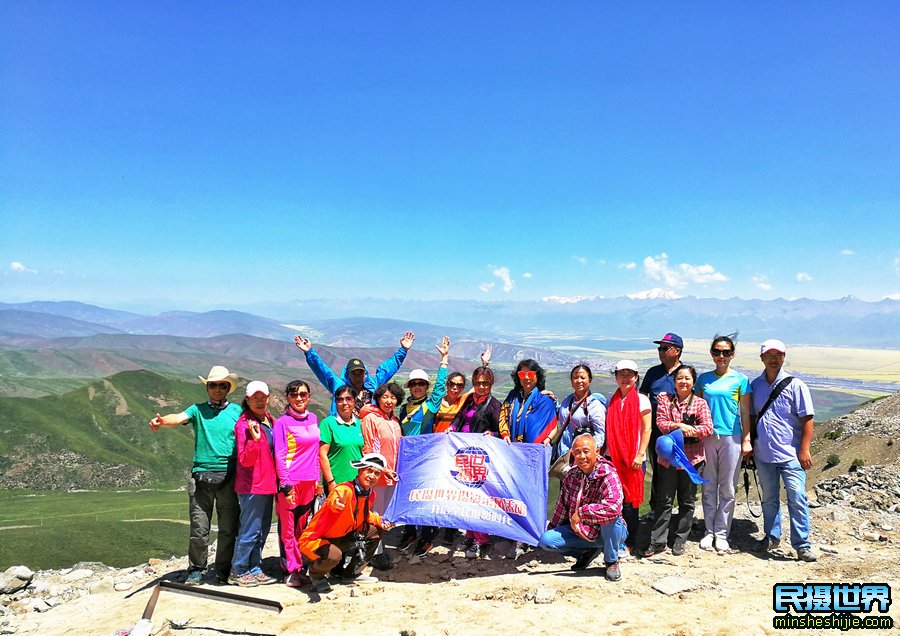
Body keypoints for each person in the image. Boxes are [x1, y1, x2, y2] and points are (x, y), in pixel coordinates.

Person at [149, 365, 241, 586]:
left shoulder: (237, 411)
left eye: (221, 385)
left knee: (228, 528)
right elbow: (179, 417)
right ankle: (196, 569)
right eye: (213, 385)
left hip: (230, 475)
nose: (217, 389)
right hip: (201, 476)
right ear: (207, 387)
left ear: (228, 387)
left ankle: (222, 569)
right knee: (199, 528)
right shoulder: (197, 410)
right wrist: (161, 422)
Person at [750, 339, 817, 563]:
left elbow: (807, 419)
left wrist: (804, 449)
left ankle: (802, 544)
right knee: (769, 499)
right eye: (769, 355)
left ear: (784, 357)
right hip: (763, 453)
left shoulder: (796, 385)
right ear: (762, 358)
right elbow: (751, 416)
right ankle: (772, 536)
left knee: (797, 497)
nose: (773, 358)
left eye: (778, 354)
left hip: (790, 454)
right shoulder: (756, 386)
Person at [299, 453, 395, 593]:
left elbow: (364, 515)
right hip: (315, 541)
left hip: (341, 536)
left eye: (377, 473)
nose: (372, 476)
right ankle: (316, 575)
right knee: (334, 555)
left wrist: (381, 521)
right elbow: (334, 501)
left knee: (376, 530)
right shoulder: (344, 490)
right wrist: (337, 504)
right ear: (360, 470)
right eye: (369, 470)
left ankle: (351, 574)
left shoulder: (370, 494)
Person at [643, 365, 713, 558]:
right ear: (674, 382)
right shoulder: (665, 400)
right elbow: (661, 423)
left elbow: (708, 427)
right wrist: (681, 427)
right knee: (664, 500)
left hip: (693, 459)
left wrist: (692, 431)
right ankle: (658, 541)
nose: (683, 381)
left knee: (687, 501)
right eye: (679, 378)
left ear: (693, 382)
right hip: (669, 460)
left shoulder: (699, 403)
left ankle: (680, 540)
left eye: (687, 378)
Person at [538, 434, 628, 582]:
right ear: (573, 454)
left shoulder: (608, 474)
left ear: (597, 452)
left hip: (608, 531)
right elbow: (562, 506)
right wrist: (552, 528)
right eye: (578, 452)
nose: (582, 456)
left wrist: (581, 513)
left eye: (586, 451)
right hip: (582, 530)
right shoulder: (571, 475)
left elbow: (613, 507)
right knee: (546, 540)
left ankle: (611, 561)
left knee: (611, 518)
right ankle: (586, 551)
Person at [695, 334, 752, 553]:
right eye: (717, 351)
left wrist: (746, 439)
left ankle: (721, 533)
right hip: (707, 437)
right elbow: (696, 407)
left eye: (726, 352)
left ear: (732, 354)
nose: (721, 356)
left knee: (728, 486)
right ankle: (709, 531)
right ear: (711, 353)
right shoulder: (703, 379)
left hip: (732, 437)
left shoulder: (740, 380)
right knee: (708, 485)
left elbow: (746, 412)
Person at [396, 337, 451, 557]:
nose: (417, 387)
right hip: (407, 459)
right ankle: (410, 533)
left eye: (421, 384)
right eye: (414, 384)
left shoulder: (430, 405)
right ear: (409, 387)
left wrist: (444, 359)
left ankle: (427, 537)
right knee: (408, 496)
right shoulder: (403, 408)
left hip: (426, 459)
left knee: (425, 497)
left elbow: (440, 389)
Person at [448, 364, 503, 559]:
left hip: (479, 459)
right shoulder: (469, 401)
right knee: (466, 497)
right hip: (463, 457)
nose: (481, 386)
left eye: (485, 383)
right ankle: (470, 535)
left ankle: (481, 540)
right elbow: (458, 418)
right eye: (478, 383)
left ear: (491, 384)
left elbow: (501, 431)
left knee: (479, 499)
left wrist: (492, 433)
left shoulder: (495, 405)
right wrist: (452, 428)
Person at [293, 331, 416, 415]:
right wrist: (309, 353)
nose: (358, 377)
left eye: (360, 373)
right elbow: (323, 371)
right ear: (348, 375)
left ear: (365, 374)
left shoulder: (372, 385)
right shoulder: (340, 388)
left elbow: (387, 369)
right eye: (354, 373)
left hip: (368, 435)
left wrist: (403, 350)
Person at [230, 381, 279, 587]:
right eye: (255, 398)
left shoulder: (269, 419)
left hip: (267, 483)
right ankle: (238, 569)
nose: (259, 401)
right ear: (247, 400)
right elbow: (245, 460)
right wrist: (255, 440)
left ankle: (255, 566)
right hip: (252, 485)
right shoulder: (244, 425)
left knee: (263, 528)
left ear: (268, 399)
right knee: (250, 529)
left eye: (263, 398)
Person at [273, 380, 321, 588]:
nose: (299, 398)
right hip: (292, 482)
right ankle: (291, 570)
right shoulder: (282, 422)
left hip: (310, 482)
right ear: (288, 398)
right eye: (294, 395)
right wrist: (285, 484)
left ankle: (300, 567)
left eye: (303, 394)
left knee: (302, 527)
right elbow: (280, 454)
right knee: (288, 529)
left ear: (309, 396)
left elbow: (315, 452)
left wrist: (318, 479)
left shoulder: (313, 418)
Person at [604, 360, 652, 549]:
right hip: (613, 457)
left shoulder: (642, 400)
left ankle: (629, 541)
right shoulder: (612, 400)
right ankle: (615, 538)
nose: (625, 378)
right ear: (616, 377)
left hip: (633, 457)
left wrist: (640, 454)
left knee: (630, 502)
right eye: (621, 374)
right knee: (614, 500)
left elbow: (647, 429)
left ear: (636, 377)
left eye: (629, 374)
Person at [360, 382, 404, 570]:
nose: (389, 401)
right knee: (375, 514)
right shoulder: (371, 419)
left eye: (393, 397)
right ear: (378, 398)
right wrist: (383, 469)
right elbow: (369, 448)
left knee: (385, 515)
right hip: (378, 476)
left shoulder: (394, 421)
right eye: (385, 397)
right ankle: (374, 553)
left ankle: (377, 548)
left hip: (392, 476)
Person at [640, 332, 684, 512]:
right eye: (660, 348)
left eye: (665, 348)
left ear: (677, 351)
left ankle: (682, 510)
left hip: (680, 432)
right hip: (656, 431)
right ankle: (656, 510)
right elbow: (642, 398)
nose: (661, 351)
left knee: (681, 470)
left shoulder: (685, 373)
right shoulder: (653, 373)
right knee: (658, 470)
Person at [551, 364, 607, 477]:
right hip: (565, 457)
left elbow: (600, 434)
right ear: (571, 381)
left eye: (583, 377)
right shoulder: (568, 400)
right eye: (575, 378)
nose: (579, 381)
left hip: (582, 460)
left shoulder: (594, 405)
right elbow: (561, 413)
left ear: (589, 380)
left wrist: (585, 454)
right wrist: (551, 399)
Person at [433, 345, 492, 434]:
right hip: (437, 442)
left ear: (463, 388)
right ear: (447, 384)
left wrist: (484, 365)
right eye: (452, 383)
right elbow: (439, 383)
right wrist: (444, 358)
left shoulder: (463, 401)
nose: (455, 387)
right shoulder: (437, 403)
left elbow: (480, 386)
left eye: (459, 385)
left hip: (455, 444)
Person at [498, 359, 558, 445]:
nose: (526, 377)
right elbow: (503, 415)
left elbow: (550, 424)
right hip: (510, 447)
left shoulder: (544, 400)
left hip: (533, 450)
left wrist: (547, 438)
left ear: (537, 375)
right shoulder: (512, 396)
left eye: (530, 374)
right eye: (522, 374)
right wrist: (505, 434)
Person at [319, 385, 365, 493]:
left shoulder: (360, 424)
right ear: (336, 403)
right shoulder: (328, 423)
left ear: (354, 401)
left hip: (358, 483)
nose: (345, 403)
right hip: (337, 484)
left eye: (348, 399)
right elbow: (322, 455)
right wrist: (331, 482)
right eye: (340, 399)